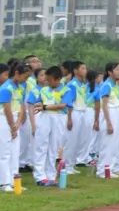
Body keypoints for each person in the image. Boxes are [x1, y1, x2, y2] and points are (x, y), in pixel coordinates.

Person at [34, 67, 68, 186]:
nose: (47, 82)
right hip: (44, 117)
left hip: (58, 118)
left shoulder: (66, 89)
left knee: (53, 147)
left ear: (58, 79)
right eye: (46, 79)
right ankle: (40, 176)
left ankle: (50, 175)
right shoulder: (43, 90)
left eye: (50, 80)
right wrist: (40, 106)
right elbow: (36, 103)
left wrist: (44, 107)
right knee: (41, 146)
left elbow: (62, 105)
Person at [0, 64, 30, 192]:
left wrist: (18, 122)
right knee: (5, 152)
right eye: (25, 76)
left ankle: (14, 181)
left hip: (15, 119)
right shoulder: (6, 87)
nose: (26, 79)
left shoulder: (21, 88)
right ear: (17, 73)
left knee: (14, 152)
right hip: (4, 119)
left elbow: (22, 105)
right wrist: (12, 125)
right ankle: (4, 182)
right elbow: (6, 108)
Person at [95, 63, 119, 179]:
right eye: (117, 69)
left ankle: (110, 168)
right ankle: (102, 170)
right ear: (109, 72)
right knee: (107, 144)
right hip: (110, 114)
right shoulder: (106, 85)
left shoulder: (116, 85)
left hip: (117, 112)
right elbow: (105, 106)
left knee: (114, 143)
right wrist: (108, 123)